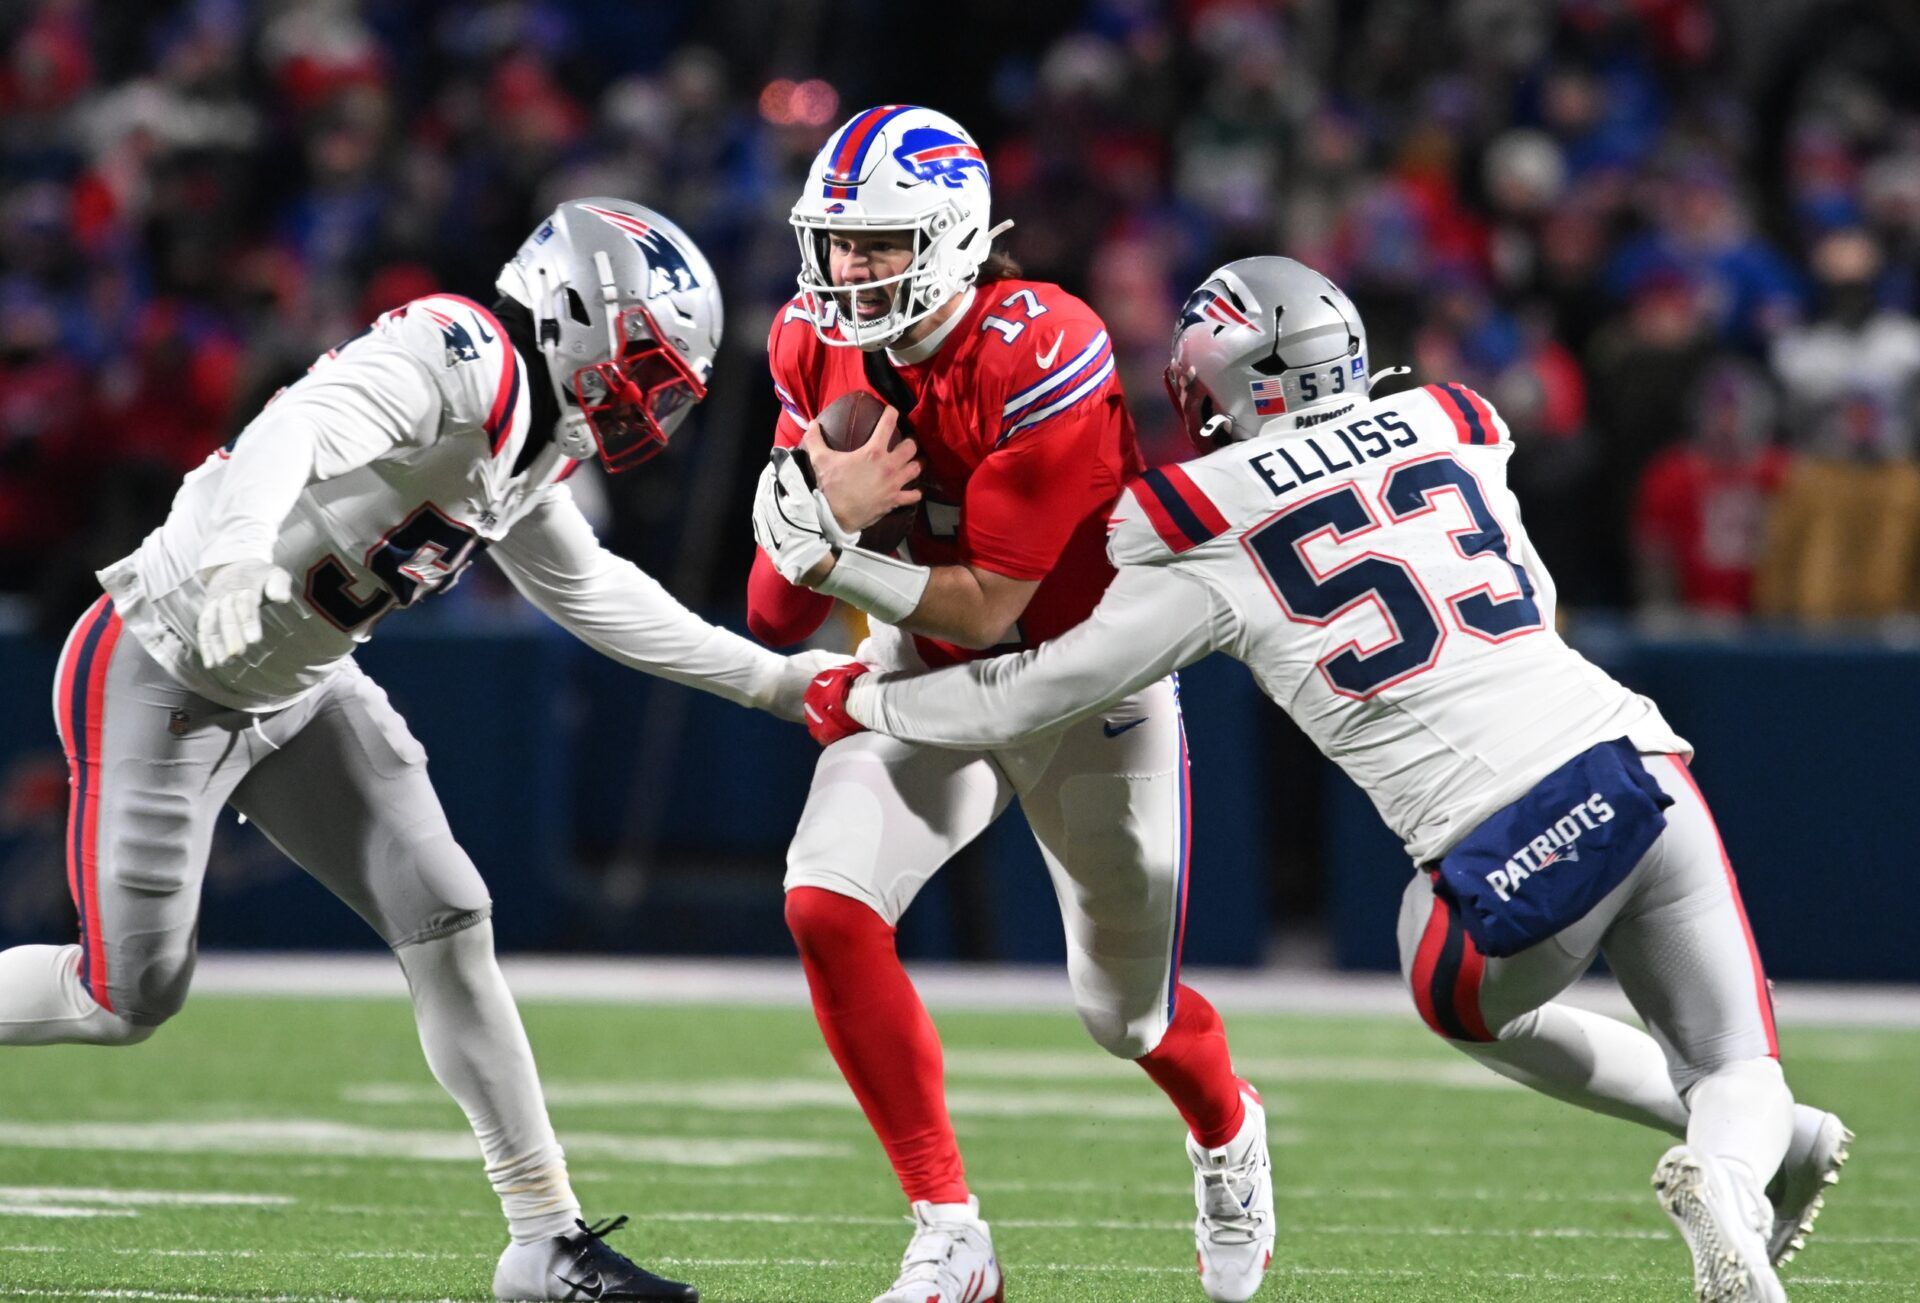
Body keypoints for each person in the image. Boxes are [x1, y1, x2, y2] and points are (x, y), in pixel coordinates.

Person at [799, 256, 1852, 1303]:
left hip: (1492, 863)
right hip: (1635, 765)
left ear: (1216, 389)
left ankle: (1733, 1163)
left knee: (1461, 990)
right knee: (1738, 1067)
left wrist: (868, 696)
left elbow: (1024, 695)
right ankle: (1732, 1170)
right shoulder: (1456, 422)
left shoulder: (1198, 516)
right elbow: (1527, 586)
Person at [1, 198, 841, 1303]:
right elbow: (292, 429)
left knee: (448, 912)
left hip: (302, 684)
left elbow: (595, 594)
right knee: (125, 996)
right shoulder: (459, 355)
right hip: (165, 667)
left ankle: (545, 1241)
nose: (651, 401)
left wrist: (776, 682)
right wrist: (238, 555)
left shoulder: (534, 442)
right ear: (575, 313)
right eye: (645, 366)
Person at [749, 106, 1273, 1303]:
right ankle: (950, 1231)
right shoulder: (810, 342)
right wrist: (815, 524)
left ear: (952, 238)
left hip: (1082, 683)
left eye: (878, 244)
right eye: (837, 241)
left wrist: (832, 550)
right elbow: (774, 614)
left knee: (1126, 1016)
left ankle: (1227, 1125)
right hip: (924, 674)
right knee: (827, 901)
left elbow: (994, 606)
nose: (847, 269)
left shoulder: (1043, 344)